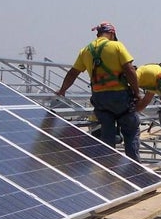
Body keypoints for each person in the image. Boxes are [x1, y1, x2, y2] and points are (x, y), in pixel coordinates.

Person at [56, 22, 142, 161]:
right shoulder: (116, 46)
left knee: (107, 134)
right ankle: (135, 170)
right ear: (112, 34)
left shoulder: (85, 50)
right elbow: (129, 69)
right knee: (130, 131)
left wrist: (62, 90)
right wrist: (137, 93)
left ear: (98, 34)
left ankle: (108, 168)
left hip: (100, 99)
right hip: (120, 97)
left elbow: (73, 73)